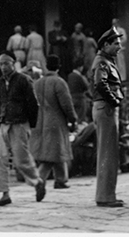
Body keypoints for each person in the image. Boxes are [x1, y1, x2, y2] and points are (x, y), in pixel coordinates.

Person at [0, 53, 46, 207]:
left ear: (13, 64)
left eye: (6, 63)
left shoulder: (23, 80)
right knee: (0, 159)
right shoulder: (0, 82)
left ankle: (37, 182)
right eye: (1, 64)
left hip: (20, 123)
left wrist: (30, 124)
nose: (3, 67)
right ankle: (4, 193)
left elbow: (33, 103)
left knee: (21, 159)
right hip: (4, 122)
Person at [30, 55, 78, 190]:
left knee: (56, 152)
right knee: (52, 155)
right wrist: (73, 119)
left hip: (40, 122)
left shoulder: (37, 83)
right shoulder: (59, 82)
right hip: (56, 123)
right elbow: (67, 105)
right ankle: (39, 179)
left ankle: (61, 179)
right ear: (58, 67)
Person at [91, 27, 125, 207]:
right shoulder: (102, 62)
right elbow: (100, 83)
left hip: (105, 108)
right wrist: (114, 101)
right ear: (106, 44)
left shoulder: (105, 60)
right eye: (116, 44)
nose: (120, 47)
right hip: (106, 109)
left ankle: (107, 194)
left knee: (108, 153)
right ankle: (105, 196)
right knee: (107, 153)